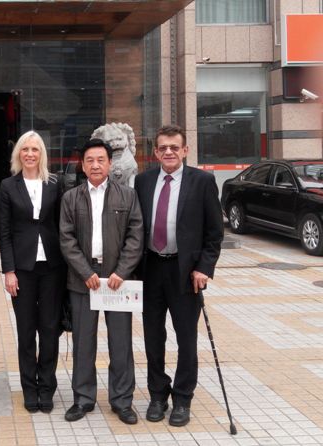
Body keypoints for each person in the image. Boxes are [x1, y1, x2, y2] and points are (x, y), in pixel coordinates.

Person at [134, 125, 223, 427]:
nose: (169, 152)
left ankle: (183, 398)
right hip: (151, 269)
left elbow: (214, 232)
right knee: (152, 337)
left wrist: (204, 268)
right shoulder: (143, 181)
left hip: (185, 272)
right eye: (163, 147)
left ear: (185, 150)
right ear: (155, 152)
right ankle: (158, 394)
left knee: (186, 338)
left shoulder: (202, 181)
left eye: (174, 147)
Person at [59, 138, 143, 424]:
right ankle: (83, 399)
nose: (95, 165)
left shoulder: (127, 196)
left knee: (121, 343)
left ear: (109, 163)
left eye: (101, 160)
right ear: (83, 166)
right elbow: (66, 239)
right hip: (84, 280)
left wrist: (122, 271)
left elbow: (135, 236)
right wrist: (85, 272)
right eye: (90, 161)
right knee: (83, 342)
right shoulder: (71, 198)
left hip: (118, 279)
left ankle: (122, 401)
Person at [0, 131, 65, 414]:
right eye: (25, 149)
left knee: (49, 330)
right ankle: (29, 387)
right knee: (26, 332)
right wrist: (8, 270)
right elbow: (4, 232)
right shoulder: (8, 186)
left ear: (42, 154)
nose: (29, 154)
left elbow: (63, 224)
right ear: (18, 154)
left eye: (35, 149)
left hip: (52, 268)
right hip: (22, 269)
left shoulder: (55, 183)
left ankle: (47, 386)